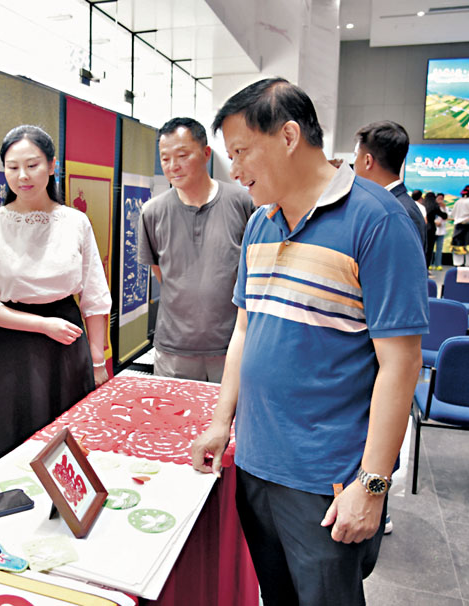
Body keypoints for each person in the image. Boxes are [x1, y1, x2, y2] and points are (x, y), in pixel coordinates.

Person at [191, 78, 427, 605]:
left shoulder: (377, 221)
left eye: (242, 151)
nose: (234, 168)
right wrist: (219, 423)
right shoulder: (261, 225)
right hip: (256, 462)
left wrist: (372, 484)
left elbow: (401, 365)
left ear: (290, 135)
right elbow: (246, 329)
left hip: (326, 478)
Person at [0, 125, 112, 465]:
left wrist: (97, 361)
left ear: (52, 165)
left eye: (32, 165)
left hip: (67, 338)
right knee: (11, 435)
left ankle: (68, 507)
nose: (22, 175)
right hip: (10, 343)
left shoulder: (75, 222)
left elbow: (94, 296)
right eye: (12, 167)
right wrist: (43, 325)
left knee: (69, 434)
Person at [137, 117, 254, 382]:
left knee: (230, 420)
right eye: (165, 159)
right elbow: (162, 274)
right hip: (173, 347)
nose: (172, 166)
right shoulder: (152, 212)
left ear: (206, 153)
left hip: (232, 344)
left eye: (182, 155)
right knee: (173, 419)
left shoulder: (244, 203)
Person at [352, 121, 426, 252]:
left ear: (367, 161)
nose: (354, 164)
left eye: (356, 155)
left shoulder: (398, 212)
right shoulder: (388, 203)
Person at [428, 192, 449, 271]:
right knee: (430, 248)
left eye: (442, 199)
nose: (440, 200)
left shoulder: (444, 208)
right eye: (439, 198)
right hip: (433, 230)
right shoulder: (433, 206)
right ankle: (430, 263)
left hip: (441, 231)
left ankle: (438, 264)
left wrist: (444, 208)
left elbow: (446, 216)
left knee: (439, 249)